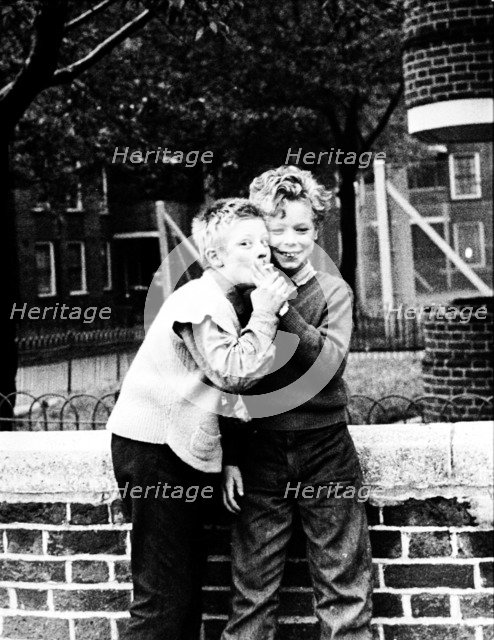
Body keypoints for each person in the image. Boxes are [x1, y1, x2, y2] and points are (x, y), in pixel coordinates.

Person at [107, 198, 292, 640]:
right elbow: (233, 374)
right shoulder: (200, 301)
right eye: (246, 243)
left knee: (184, 591)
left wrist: (226, 458)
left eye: (264, 242)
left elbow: (212, 393)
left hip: (176, 454)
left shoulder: (225, 301)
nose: (263, 252)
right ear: (213, 257)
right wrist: (266, 312)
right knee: (161, 599)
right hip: (155, 454)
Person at [220, 167, 373, 640]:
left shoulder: (333, 292)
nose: (288, 241)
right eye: (276, 227)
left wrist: (281, 308)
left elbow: (328, 365)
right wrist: (229, 456)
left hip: (326, 450)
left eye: (301, 229)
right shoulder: (235, 293)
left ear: (316, 231)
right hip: (259, 452)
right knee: (252, 593)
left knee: (343, 590)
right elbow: (225, 379)